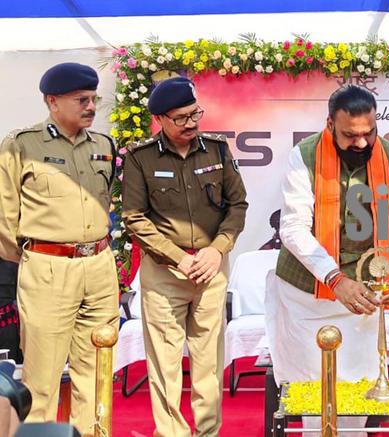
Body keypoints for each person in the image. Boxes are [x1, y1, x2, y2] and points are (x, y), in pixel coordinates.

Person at [267, 84, 389, 388]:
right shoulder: (303, 156)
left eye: (368, 133)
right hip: (306, 297)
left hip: (364, 296)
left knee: (363, 387)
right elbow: (293, 227)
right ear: (330, 124)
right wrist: (335, 279)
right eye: (349, 135)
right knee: (312, 392)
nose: (360, 142)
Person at [122, 76, 248, 437]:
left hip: (210, 269)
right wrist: (178, 257)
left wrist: (217, 248)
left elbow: (237, 205)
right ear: (159, 119)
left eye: (195, 114)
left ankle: (207, 431)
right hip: (165, 274)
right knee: (165, 362)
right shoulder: (141, 158)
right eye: (181, 118)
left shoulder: (217, 150)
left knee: (209, 360)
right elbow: (134, 218)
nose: (191, 123)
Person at [0, 62, 119, 433]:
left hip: (98, 266)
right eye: (81, 100)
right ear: (52, 101)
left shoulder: (103, 145)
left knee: (97, 372)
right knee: (42, 378)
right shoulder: (22, 145)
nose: (91, 106)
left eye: (93, 99)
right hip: (47, 269)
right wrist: (36, 258)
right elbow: (5, 217)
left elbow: (107, 202)